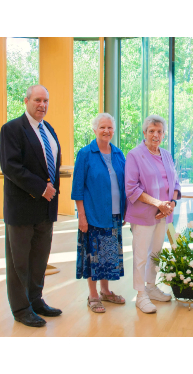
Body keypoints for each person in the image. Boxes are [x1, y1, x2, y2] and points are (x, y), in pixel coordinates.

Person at [0, 84, 64, 328]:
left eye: (46, 101)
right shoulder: (12, 129)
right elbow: (11, 167)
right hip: (22, 208)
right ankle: (20, 308)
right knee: (19, 263)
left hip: (45, 209)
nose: (42, 105)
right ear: (26, 101)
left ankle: (36, 301)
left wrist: (49, 193)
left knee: (39, 258)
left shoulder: (49, 130)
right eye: (37, 100)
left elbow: (52, 165)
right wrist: (40, 188)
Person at [71, 113, 128, 314]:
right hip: (93, 214)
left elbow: (124, 184)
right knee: (93, 256)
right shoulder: (86, 154)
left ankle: (105, 291)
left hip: (114, 215)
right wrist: (82, 216)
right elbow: (78, 188)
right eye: (102, 127)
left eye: (110, 128)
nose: (106, 131)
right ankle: (93, 295)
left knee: (108, 256)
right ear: (95, 130)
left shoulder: (119, 154)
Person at [123, 114, 180, 314]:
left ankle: (151, 286)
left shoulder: (166, 154)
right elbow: (131, 188)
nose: (155, 135)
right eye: (151, 131)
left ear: (163, 134)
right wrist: (158, 204)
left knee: (156, 253)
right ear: (145, 133)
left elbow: (175, 183)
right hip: (143, 214)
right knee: (140, 256)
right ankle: (140, 295)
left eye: (159, 132)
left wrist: (170, 203)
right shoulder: (135, 155)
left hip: (163, 214)